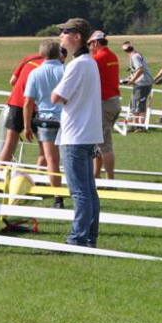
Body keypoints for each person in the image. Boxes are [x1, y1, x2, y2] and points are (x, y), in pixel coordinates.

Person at [52, 18, 102, 247]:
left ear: (76, 37)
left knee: (80, 192)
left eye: (64, 32)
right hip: (87, 133)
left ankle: (77, 238)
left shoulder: (77, 65)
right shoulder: (90, 62)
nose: (61, 35)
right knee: (89, 192)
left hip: (74, 135)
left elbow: (56, 97)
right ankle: (89, 237)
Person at [23, 38, 65, 208]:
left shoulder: (35, 73)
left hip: (46, 122)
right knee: (70, 159)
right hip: (67, 120)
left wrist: (26, 126)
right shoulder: (66, 70)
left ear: (41, 54)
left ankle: (58, 198)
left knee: (52, 160)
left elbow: (28, 103)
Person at [87, 30, 122, 179]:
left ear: (96, 43)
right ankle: (96, 175)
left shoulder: (96, 59)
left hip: (104, 104)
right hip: (114, 102)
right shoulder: (112, 56)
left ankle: (110, 180)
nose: (90, 48)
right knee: (99, 142)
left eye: (90, 45)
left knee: (104, 145)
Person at [0, 51, 43, 163]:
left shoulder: (30, 57)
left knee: (9, 143)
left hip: (16, 103)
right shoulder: (57, 66)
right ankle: (40, 179)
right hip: (36, 108)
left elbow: (12, 81)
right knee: (45, 147)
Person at [121, 41, 153, 125]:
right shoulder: (135, 55)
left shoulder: (135, 56)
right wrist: (129, 78)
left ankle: (140, 126)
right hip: (141, 82)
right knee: (135, 103)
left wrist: (131, 81)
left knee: (139, 104)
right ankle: (135, 124)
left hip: (143, 83)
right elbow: (136, 71)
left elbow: (140, 70)